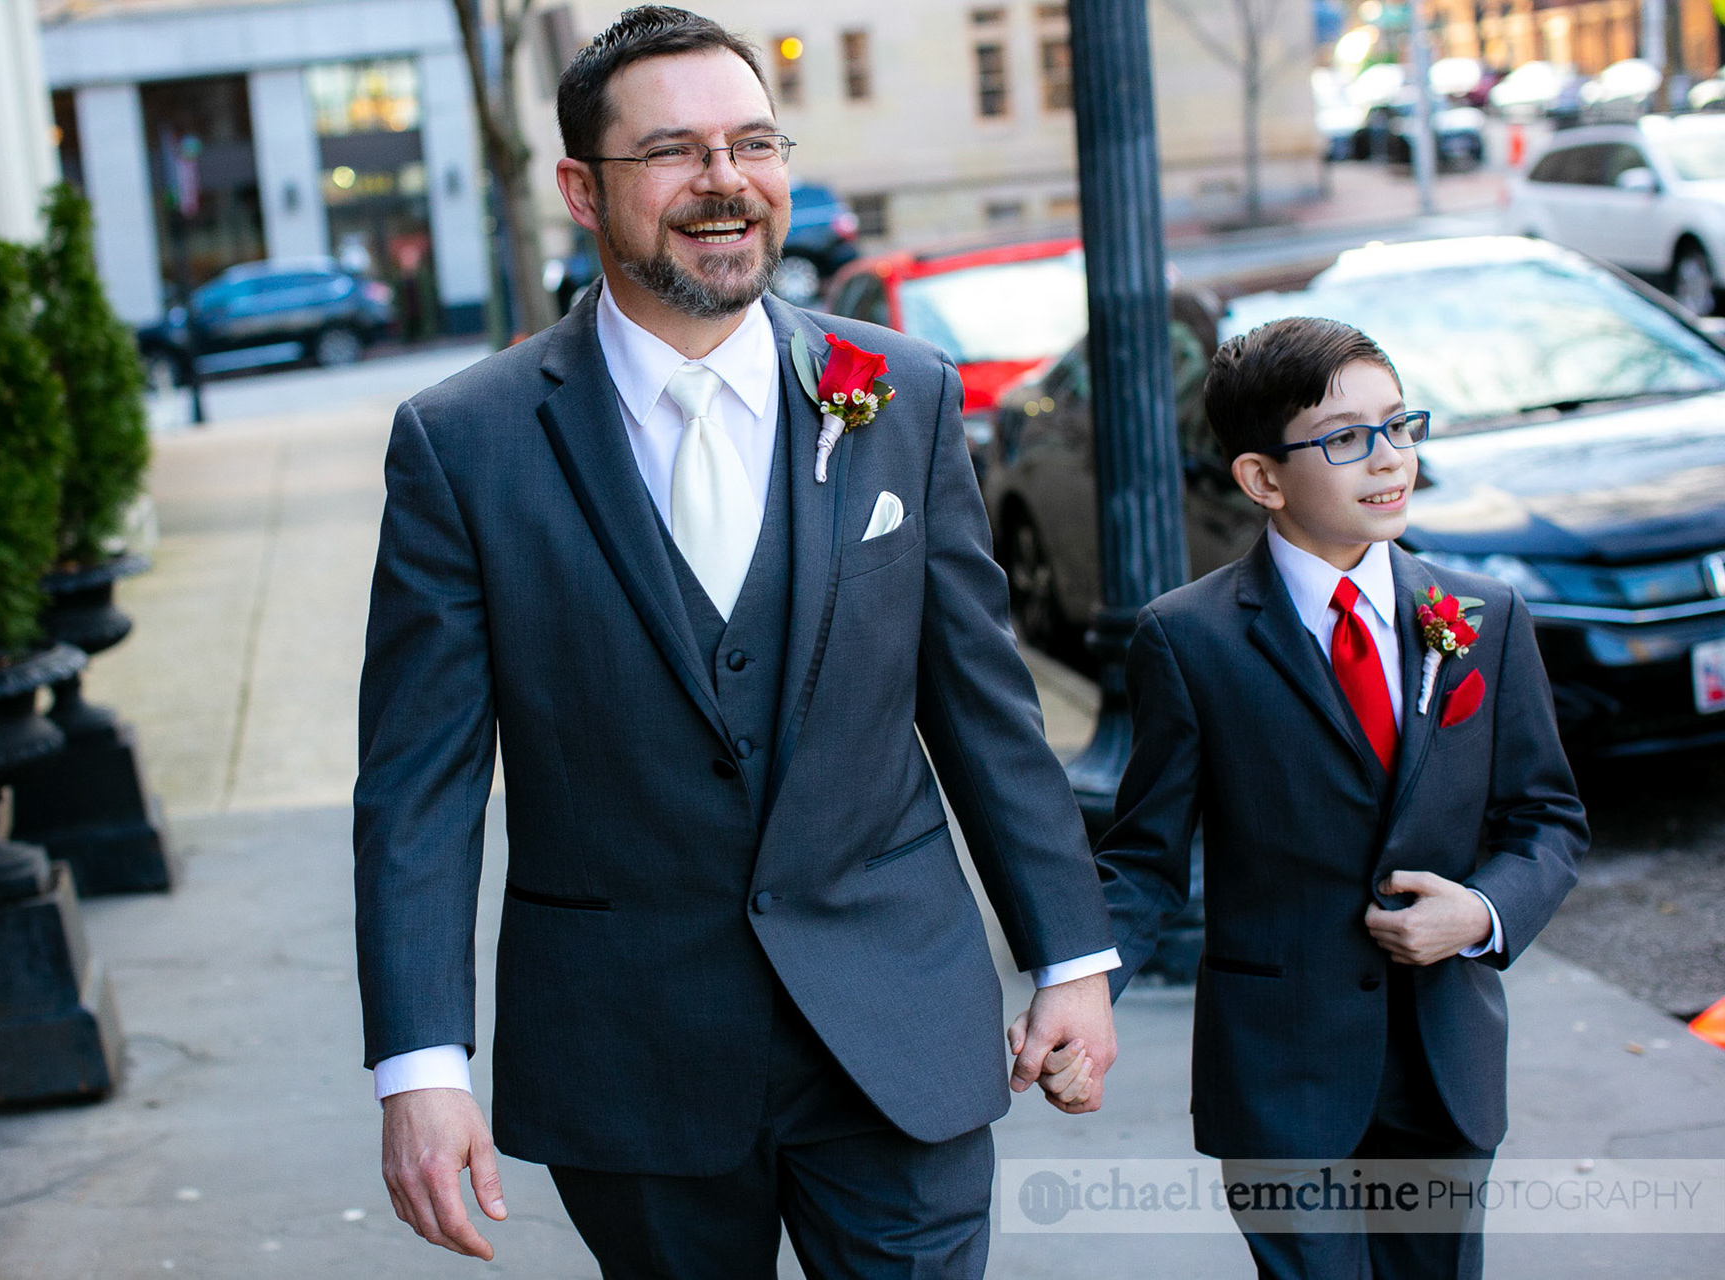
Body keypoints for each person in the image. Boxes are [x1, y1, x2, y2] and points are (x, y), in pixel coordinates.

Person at [352, 8, 1120, 1275]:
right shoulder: (464, 444)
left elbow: (984, 703)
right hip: (629, 1045)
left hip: (897, 1022)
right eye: (674, 151)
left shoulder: (901, 394)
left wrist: (1071, 953)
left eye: (752, 142)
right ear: (581, 191)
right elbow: (418, 785)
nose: (725, 182)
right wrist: (420, 1065)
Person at [1091, 316, 1585, 1278]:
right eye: (1346, 439)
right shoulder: (1188, 640)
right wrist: (1083, 995)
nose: (1387, 459)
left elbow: (1547, 821)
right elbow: (1145, 858)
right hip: (1280, 1071)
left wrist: (1481, 913)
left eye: (1399, 426)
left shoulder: (1482, 617)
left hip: (1445, 1059)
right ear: (1263, 479)